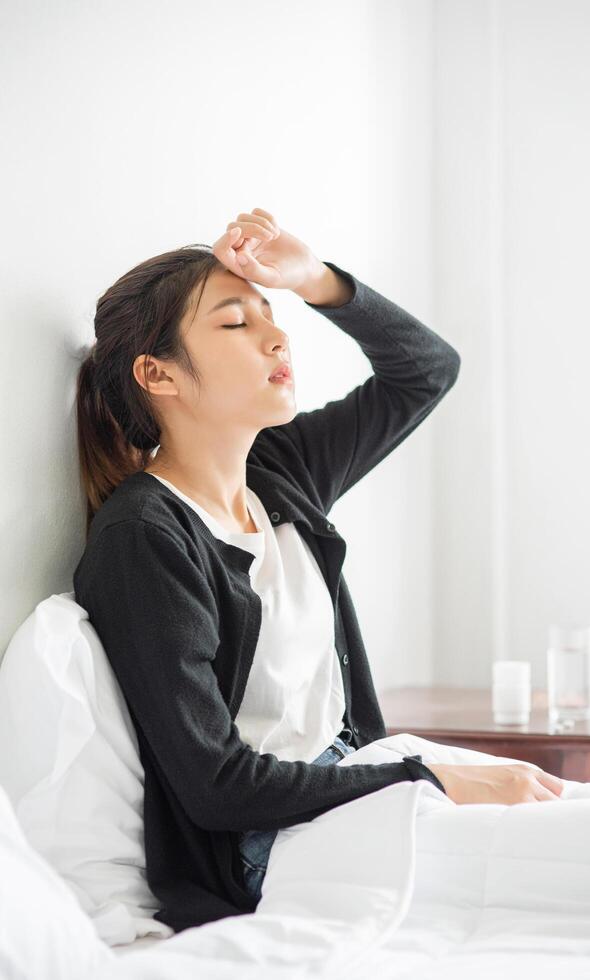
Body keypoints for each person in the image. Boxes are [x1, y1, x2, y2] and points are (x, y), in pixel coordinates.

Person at [73, 207, 563, 933]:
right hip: (266, 849)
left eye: (272, 314)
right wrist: (423, 778)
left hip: (349, 788)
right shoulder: (145, 538)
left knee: (573, 815)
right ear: (158, 374)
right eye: (236, 323)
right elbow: (216, 788)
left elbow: (427, 371)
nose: (278, 335)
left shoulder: (279, 472)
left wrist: (315, 280)